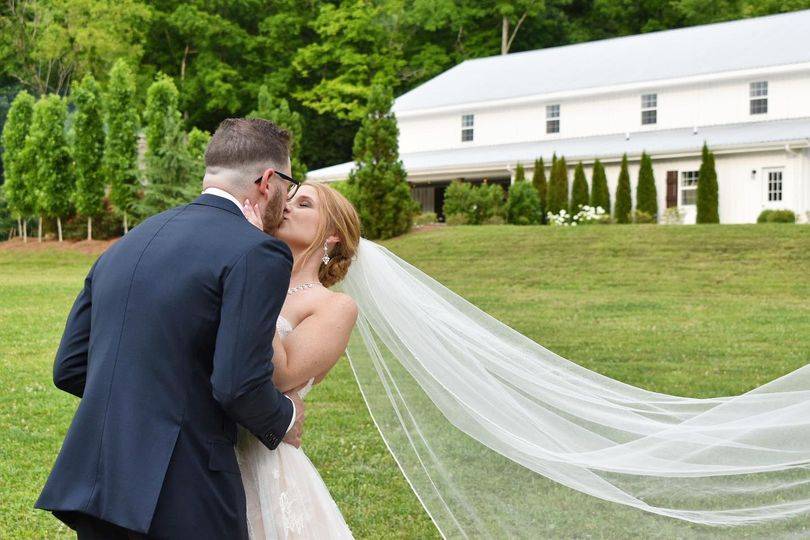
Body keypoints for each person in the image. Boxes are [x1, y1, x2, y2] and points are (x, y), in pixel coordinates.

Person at [35, 118, 305, 539]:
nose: (287, 202)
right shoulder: (257, 251)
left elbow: (70, 366)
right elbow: (238, 383)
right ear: (267, 180)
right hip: (187, 491)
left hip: (101, 483)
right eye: (289, 186)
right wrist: (285, 418)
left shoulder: (127, 243)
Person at [237, 182, 361, 538]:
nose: (286, 206)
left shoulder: (334, 307)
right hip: (205, 448)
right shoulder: (238, 274)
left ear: (333, 235)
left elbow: (281, 375)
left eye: (303, 203)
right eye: (288, 198)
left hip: (262, 459)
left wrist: (257, 274)